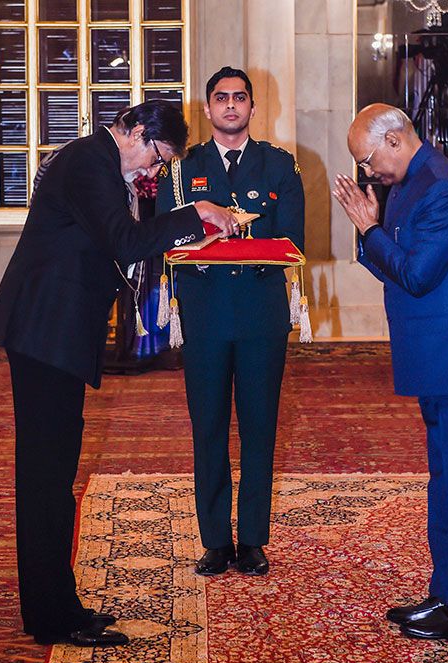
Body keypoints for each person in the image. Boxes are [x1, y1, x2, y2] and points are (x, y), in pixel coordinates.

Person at [0, 100, 237, 647]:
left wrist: (179, 226)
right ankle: (51, 616)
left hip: (51, 332)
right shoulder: (88, 161)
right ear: (133, 129)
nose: (153, 172)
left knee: (54, 474)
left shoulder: (101, 163)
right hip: (43, 330)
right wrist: (195, 212)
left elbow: (124, 241)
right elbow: (123, 242)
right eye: (156, 156)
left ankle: (55, 603)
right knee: (46, 478)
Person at [333, 103, 448, 640]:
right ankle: (447, 593)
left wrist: (371, 230)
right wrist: (369, 232)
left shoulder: (440, 186)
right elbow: (396, 263)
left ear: (395, 140)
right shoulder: (412, 181)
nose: (367, 171)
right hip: (439, 358)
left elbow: (415, 274)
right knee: (446, 482)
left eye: (367, 160)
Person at [156, 66, 304, 577]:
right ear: (207, 107)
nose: (231, 106)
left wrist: (219, 240)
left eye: (240, 97)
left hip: (262, 315)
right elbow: (165, 240)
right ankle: (216, 540)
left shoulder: (280, 166)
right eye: (221, 98)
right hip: (205, 314)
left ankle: (254, 541)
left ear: (253, 107)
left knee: (260, 430)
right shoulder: (180, 171)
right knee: (209, 428)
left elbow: (291, 242)